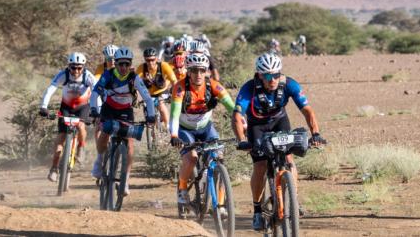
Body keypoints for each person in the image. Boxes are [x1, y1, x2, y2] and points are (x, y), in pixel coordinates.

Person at [233, 52, 325, 231]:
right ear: (260, 75)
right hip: (257, 126)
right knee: (260, 166)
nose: (273, 79)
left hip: (279, 121)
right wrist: (242, 140)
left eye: (276, 74)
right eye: (268, 76)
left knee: (289, 160)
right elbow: (237, 116)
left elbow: (307, 110)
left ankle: (293, 200)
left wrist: (316, 134)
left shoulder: (289, 84)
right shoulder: (248, 88)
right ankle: (257, 211)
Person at [168, 52, 235, 212]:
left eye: (202, 70)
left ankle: (220, 205)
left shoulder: (214, 86)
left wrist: (244, 125)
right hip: (185, 130)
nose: (198, 74)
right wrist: (174, 135)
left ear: (207, 72)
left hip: (206, 128)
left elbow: (233, 109)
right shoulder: (179, 87)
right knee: (191, 158)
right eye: (195, 70)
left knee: (219, 157)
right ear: (188, 71)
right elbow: (174, 115)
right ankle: (182, 189)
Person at [90, 46, 156, 192]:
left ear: (130, 64)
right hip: (108, 109)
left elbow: (148, 98)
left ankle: (125, 180)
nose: (124, 67)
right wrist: (94, 110)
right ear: (116, 63)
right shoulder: (107, 75)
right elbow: (94, 94)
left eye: (127, 64)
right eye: (121, 64)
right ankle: (100, 160)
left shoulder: (134, 78)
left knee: (130, 143)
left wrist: (151, 116)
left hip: (126, 111)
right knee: (104, 133)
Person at [38, 52, 97, 182]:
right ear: (69, 66)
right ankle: (54, 169)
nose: (76, 71)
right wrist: (43, 106)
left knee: (81, 126)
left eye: (79, 68)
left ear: (83, 67)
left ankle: (81, 146)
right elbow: (50, 89)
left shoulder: (88, 76)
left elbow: (97, 92)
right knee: (61, 138)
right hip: (66, 107)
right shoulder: (63, 74)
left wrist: (97, 111)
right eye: (73, 67)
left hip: (83, 107)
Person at [136, 47, 177, 129]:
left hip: (162, 91)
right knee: (147, 112)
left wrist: (175, 92)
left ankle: (168, 126)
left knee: (161, 105)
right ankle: (152, 135)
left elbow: (174, 81)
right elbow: (135, 83)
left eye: (152, 60)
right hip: (148, 93)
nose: (150, 62)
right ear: (144, 60)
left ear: (157, 58)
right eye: (148, 60)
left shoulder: (164, 66)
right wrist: (136, 97)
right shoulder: (142, 68)